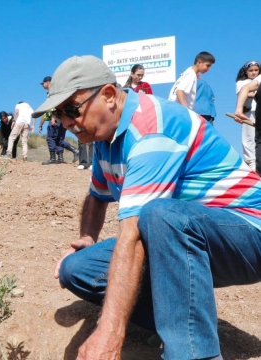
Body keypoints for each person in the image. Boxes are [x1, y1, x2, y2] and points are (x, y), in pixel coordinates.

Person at [36, 55, 261, 360]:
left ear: (109, 95)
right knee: (76, 269)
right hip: (186, 237)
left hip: (245, 231)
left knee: (160, 215)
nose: (64, 122)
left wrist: (109, 334)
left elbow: (133, 235)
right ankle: (180, 322)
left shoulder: (153, 127)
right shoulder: (105, 137)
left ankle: (193, 352)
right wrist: (88, 238)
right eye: (58, 113)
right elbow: (96, 196)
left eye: (71, 109)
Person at [39, 76, 79, 165]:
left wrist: (53, 118)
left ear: (48, 82)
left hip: (56, 117)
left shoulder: (53, 92)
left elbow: (56, 104)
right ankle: (63, 156)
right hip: (61, 118)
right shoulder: (58, 91)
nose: (42, 85)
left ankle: (53, 158)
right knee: (59, 139)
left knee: (51, 138)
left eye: (43, 83)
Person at [234, 68, 261, 175]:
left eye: (256, 70)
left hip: (256, 112)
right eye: (251, 70)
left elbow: (246, 91)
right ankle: (252, 163)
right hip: (249, 113)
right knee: (249, 137)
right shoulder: (243, 83)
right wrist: (239, 110)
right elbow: (243, 90)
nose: (254, 72)